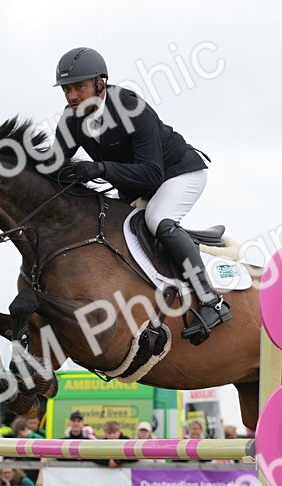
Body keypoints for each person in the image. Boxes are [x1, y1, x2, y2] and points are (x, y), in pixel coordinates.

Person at [51, 47, 228, 345]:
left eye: (79, 87)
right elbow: (53, 165)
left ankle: (212, 301)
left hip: (177, 174)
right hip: (138, 187)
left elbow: (152, 173)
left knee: (157, 219)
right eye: (67, 90)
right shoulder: (72, 120)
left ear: (100, 82)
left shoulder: (132, 108)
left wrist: (98, 168)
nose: (72, 97)